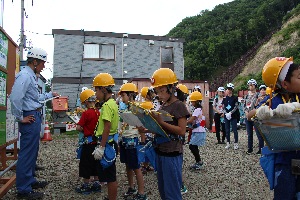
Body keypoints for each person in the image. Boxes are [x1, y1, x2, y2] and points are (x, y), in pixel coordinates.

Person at [10, 47, 58, 199]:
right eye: (43, 63)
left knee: (32, 151)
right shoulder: (24, 75)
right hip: (29, 117)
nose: (44, 66)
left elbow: (34, 98)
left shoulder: (30, 75)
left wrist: (50, 94)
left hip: (33, 116)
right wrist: (20, 117)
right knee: (26, 153)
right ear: (35, 61)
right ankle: (23, 189)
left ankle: (29, 180)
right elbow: (15, 97)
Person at [249, 57, 300, 199]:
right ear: (285, 83)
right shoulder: (274, 99)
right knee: (284, 194)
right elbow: (250, 115)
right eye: (299, 77)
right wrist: (260, 112)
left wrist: (295, 107)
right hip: (283, 159)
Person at [150, 68, 189, 200]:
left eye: (162, 90)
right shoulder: (163, 105)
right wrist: (146, 128)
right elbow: (161, 128)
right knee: (163, 189)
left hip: (172, 152)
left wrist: (160, 122)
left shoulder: (179, 106)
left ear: (171, 88)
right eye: (157, 91)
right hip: (161, 150)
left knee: (172, 191)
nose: (159, 94)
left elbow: (182, 131)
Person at [118, 83, 147, 200]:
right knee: (128, 166)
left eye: (123, 95)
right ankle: (131, 187)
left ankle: (141, 192)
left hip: (132, 141)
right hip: (124, 139)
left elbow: (142, 127)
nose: (121, 98)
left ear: (130, 95)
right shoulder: (124, 108)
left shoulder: (137, 109)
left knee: (136, 167)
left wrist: (143, 142)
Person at [92, 73, 119, 200]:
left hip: (107, 144)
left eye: (96, 90)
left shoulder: (107, 106)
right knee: (109, 174)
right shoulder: (113, 103)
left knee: (110, 177)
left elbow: (107, 127)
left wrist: (101, 147)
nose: (95, 94)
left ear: (103, 89)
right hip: (111, 143)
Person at [75, 88, 101, 194]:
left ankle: (85, 185)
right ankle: (96, 183)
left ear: (86, 101)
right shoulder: (98, 112)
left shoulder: (86, 113)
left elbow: (79, 127)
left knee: (85, 164)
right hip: (96, 142)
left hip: (88, 143)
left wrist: (83, 128)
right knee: (96, 163)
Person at [187, 91, 206, 170]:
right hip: (197, 130)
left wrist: (183, 122)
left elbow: (191, 120)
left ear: (196, 101)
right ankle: (198, 161)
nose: (191, 103)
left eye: (192, 101)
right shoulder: (199, 109)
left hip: (198, 131)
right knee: (194, 146)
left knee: (192, 146)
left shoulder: (197, 109)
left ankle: (199, 162)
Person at [243, 79, 261, 155]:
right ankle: (250, 148)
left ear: (255, 86)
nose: (250, 86)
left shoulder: (258, 95)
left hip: (255, 116)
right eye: (249, 85)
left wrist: (253, 112)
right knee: (249, 133)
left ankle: (261, 148)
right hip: (247, 116)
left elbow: (259, 105)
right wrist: (246, 113)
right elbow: (244, 106)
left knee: (258, 133)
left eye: (252, 85)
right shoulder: (246, 95)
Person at [222, 83, 239, 150]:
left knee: (234, 130)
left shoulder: (235, 98)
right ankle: (228, 142)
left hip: (233, 116)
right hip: (226, 116)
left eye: (230, 89)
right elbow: (223, 107)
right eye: (228, 89)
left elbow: (236, 106)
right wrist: (226, 113)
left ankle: (236, 143)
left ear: (232, 90)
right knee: (227, 129)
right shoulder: (225, 98)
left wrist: (230, 113)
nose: (229, 90)